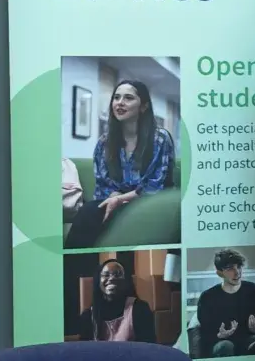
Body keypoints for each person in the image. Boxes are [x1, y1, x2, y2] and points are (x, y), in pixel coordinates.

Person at [64, 80, 176, 249]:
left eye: (128, 98)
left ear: (143, 106)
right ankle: (72, 269)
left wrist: (120, 199)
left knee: (93, 212)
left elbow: (155, 185)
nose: (120, 103)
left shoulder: (160, 138)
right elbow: (103, 184)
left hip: (150, 201)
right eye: (116, 97)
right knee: (89, 210)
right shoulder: (105, 142)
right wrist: (114, 196)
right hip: (115, 200)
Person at [196, 249, 255, 357]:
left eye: (239, 266)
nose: (237, 272)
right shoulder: (207, 297)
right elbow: (204, 334)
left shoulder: (254, 291)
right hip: (220, 342)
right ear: (220, 273)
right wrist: (219, 335)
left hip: (248, 339)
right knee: (226, 346)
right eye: (230, 269)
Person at [75, 258, 156, 343]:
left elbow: (148, 348)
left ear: (126, 281)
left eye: (117, 274)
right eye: (106, 275)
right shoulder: (88, 316)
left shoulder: (140, 309)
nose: (111, 278)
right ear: (98, 281)